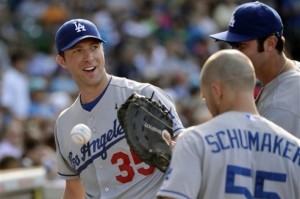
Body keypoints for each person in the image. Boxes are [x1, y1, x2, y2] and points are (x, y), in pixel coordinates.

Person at [53, 18, 184, 199]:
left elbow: (187, 153)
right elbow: (74, 190)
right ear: (62, 61)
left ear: (103, 50)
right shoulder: (64, 124)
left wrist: (176, 148)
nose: (89, 57)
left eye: (94, 47)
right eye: (77, 51)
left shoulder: (145, 94)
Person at [156, 49, 300, 199]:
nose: (208, 105)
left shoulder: (194, 140)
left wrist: (179, 160)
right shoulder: (296, 148)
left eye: (205, 98)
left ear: (217, 91)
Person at [209, 1, 300, 138]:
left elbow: (264, 159)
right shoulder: (286, 75)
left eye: (241, 45)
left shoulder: (279, 107)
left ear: (270, 43)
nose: (234, 53)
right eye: (232, 45)